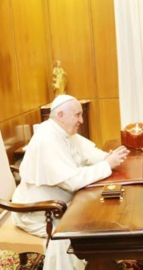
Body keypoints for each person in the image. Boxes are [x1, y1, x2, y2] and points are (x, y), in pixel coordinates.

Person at [12, 94, 130, 270]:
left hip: (63, 205)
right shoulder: (47, 138)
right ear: (60, 115)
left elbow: (89, 153)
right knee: (72, 233)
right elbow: (71, 181)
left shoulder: (64, 132)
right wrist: (107, 165)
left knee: (101, 215)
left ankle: (101, 262)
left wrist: (108, 157)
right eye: (77, 115)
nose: (81, 120)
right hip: (38, 212)